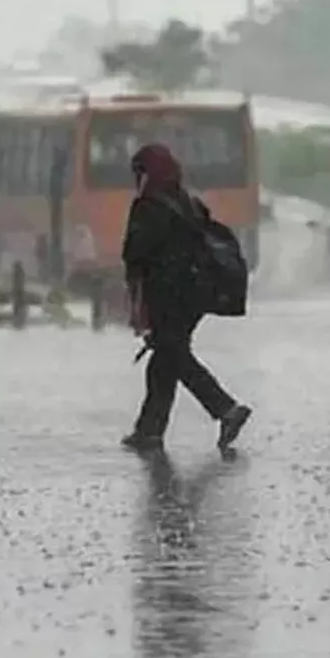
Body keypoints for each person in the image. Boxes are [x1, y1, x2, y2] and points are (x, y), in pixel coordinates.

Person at [120, 143, 252, 452]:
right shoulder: (186, 202)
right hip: (195, 295)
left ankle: (226, 409)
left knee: (173, 355)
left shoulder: (148, 205)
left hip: (167, 294)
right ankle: (149, 431)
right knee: (165, 359)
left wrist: (134, 292)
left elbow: (136, 252)